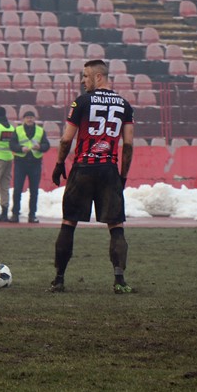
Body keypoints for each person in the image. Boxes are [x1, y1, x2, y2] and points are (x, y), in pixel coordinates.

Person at [49, 59, 135, 294]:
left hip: (83, 168)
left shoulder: (82, 102)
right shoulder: (125, 105)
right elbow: (128, 146)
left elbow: (66, 139)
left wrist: (58, 164)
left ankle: (59, 279)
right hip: (109, 170)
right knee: (116, 226)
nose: (82, 80)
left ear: (98, 77)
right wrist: (123, 177)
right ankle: (119, 280)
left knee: (69, 223)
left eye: (85, 76)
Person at [9, 110, 50, 223]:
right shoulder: (17, 130)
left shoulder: (40, 131)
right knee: (17, 189)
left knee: (34, 191)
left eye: (31, 117)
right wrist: (21, 149)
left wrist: (40, 147)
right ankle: (15, 214)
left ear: (34, 119)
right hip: (20, 162)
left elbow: (47, 145)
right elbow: (12, 144)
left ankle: (32, 215)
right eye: (27, 117)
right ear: (24, 119)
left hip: (35, 163)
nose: (29, 119)